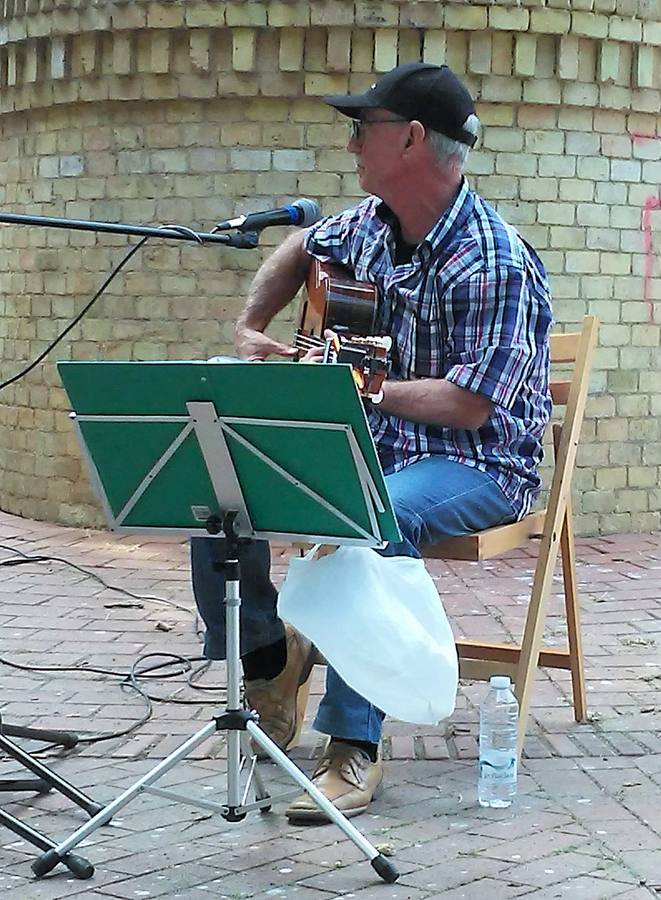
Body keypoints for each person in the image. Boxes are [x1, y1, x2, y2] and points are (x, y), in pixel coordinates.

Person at [189, 62, 553, 824]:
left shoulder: (493, 258)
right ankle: (269, 659)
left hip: (476, 462)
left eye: (365, 128)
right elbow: (296, 250)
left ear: (413, 139)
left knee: (373, 515)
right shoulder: (369, 223)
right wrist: (253, 328)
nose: (351, 142)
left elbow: (469, 403)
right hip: (375, 449)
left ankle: (353, 745)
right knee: (216, 484)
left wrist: (363, 390)